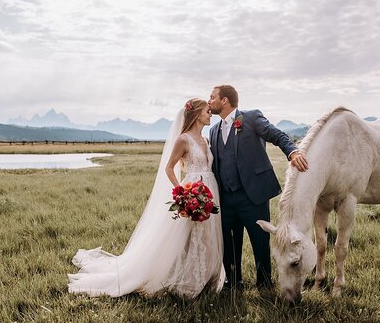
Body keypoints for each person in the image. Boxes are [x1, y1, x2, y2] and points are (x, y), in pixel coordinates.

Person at [68, 99, 225, 297]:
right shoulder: (183, 139)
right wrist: (183, 193)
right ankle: (188, 280)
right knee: (190, 236)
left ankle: (208, 277)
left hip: (210, 190)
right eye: (207, 111)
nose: (210, 114)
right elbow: (169, 168)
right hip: (192, 190)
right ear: (195, 114)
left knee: (208, 235)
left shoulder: (206, 140)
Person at [207, 84, 309, 290]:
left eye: (212, 97)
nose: (209, 101)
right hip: (226, 198)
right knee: (229, 243)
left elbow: (276, 134)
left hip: (253, 196)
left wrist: (293, 152)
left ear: (224, 100)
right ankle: (234, 283)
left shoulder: (251, 118)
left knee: (260, 243)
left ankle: (264, 283)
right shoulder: (213, 130)